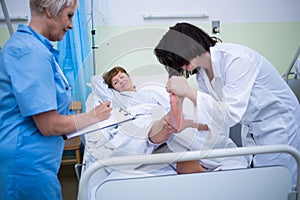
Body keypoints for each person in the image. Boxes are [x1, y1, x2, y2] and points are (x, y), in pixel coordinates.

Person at [154, 22, 300, 185]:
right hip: (253, 126)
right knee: (264, 178)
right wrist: (187, 124)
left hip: (279, 123)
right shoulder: (202, 75)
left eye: (177, 59)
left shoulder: (236, 59)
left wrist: (189, 92)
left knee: (281, 181)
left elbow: (229, 114)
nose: (179, 66)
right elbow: (216, 117)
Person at [0, 1, 112, 199]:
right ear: (49, 11)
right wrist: (94, 116)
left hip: (35, 160)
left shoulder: (38, 48)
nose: (71, 25)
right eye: (69, 16)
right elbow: (49, 125)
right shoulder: (30, 52)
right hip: (26, 164)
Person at [83, 66, 247, 184]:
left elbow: (165, 101)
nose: (120, 81)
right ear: (113, 88)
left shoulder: (148, 90)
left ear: (128, 75)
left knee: (181, 149)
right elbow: (96, 82)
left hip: (160, 117)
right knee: (148, 129)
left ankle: (170, 122)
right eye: (116, 82)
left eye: (121, 76)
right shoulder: (117, 98)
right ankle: (168, 122)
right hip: (139, 121)